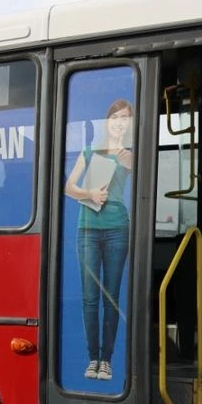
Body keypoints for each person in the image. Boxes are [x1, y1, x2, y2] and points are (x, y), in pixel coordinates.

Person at [64, 99, 134, 381]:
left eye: (125, 118)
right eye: (116, 117)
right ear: (108, 121)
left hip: (118, 228)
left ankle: (107, 360)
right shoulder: (90, 151)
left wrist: (130, 163)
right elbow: (69, 187)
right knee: (90, 299)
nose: (120, 122)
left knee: (111, 298)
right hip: (88, 229)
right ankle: (93, 357)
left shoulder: (129, 155)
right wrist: (89, 194)